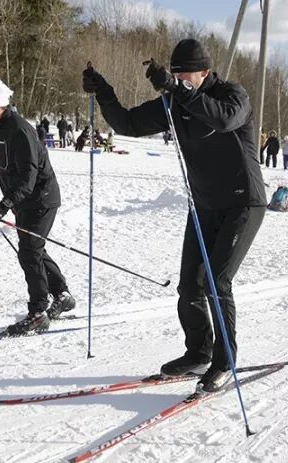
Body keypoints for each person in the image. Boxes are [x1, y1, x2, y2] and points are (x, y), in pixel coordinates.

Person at [82, 37, 266, 392]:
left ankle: (224, 362)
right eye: (176, 77)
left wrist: (175, 89)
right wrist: (103, 91)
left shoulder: (232, 95)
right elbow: (128, 124)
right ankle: (198, 353)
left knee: (216, 282)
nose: (180, 83)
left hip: (243, 203)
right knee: (190, 285)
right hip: (205, 204)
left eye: (185, 78)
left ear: (204, 73)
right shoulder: (175, 103)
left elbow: (224, 120)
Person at [0, 78, 73, 337]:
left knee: (30, 252)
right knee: (33, 249)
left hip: (40, 199)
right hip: (23, 200)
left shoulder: (20, 131)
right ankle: (62, 295)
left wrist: (3, 206)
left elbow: (27, 178)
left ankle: (38, 313)